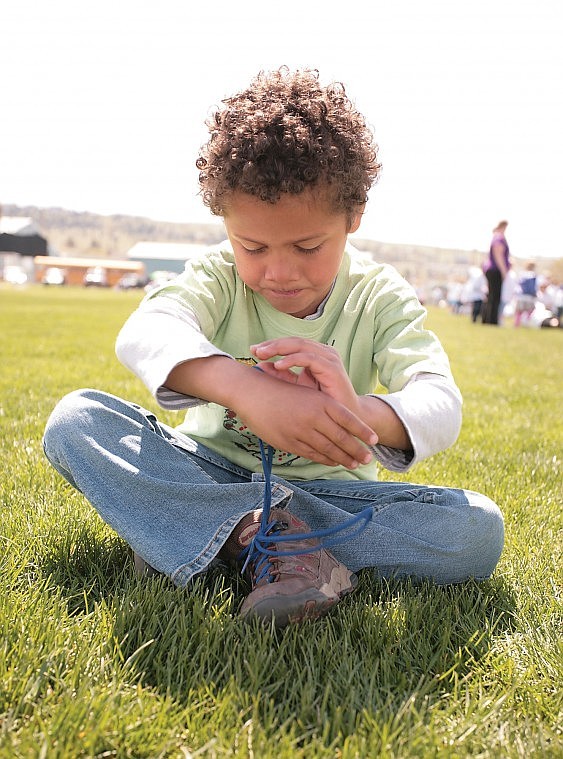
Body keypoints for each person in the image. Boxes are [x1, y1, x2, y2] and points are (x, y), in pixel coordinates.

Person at [43, 68, 504, 628]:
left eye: (308, 246)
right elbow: (146, 330)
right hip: (213, 470)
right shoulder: (218, 276)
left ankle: (215, 537)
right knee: (75, 422)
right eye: (253, 246)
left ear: (353, 218)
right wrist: (246, 390)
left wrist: (357, 415)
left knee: (477, 528)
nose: (279, 272)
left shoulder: (379, 296)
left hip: (329, 501)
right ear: (226, 223)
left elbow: (441, 402)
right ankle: (265, 543)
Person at [482, 220, 511, 325]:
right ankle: (492, 321)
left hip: (491, 270)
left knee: (491, 296)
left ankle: (487, 319)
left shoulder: (495, 237)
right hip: (495, 270)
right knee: (495, 296)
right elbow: (498, 255)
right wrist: (504, 271)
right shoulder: (499, 237)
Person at [514, 262, 537, 327]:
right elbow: (533, 287)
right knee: (529, 310)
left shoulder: (522, 274)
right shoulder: (533, 275)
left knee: (519, 311)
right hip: (529, 296)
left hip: (521, 296)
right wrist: (534, 294)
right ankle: (526, 322)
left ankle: (517, 323)